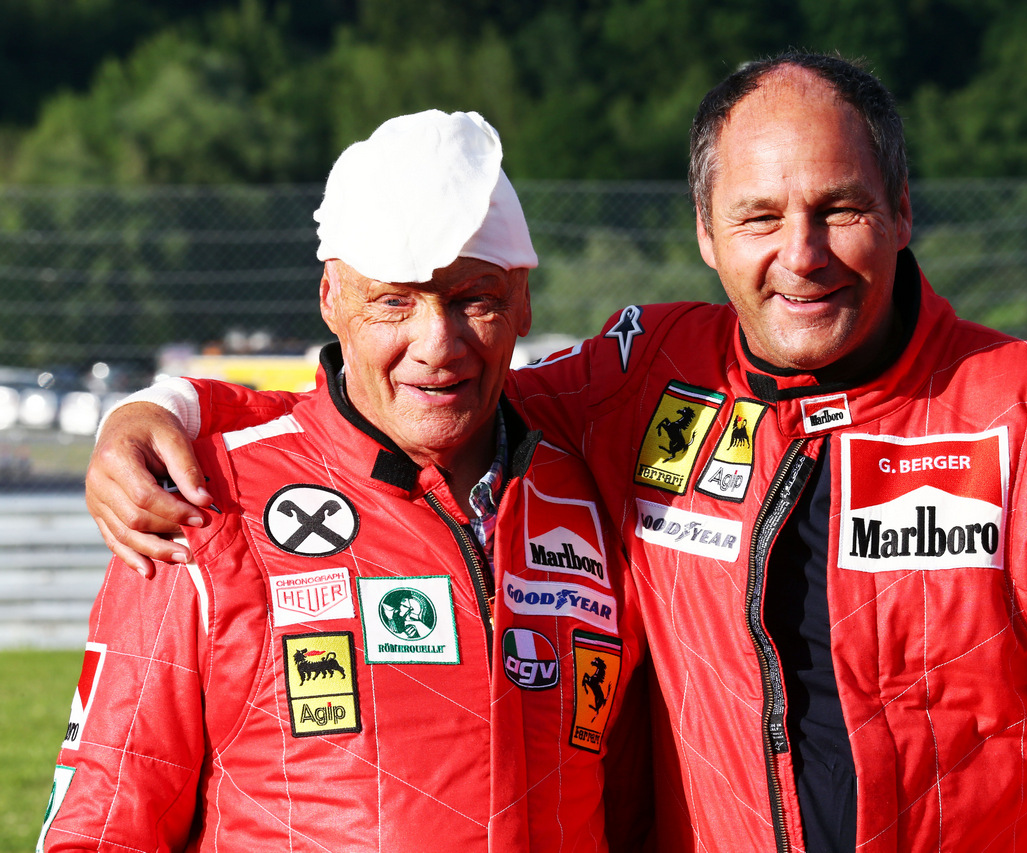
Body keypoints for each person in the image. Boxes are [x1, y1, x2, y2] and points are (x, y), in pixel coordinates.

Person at [82, 54, 1027, 851]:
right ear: (704, 236)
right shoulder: (651, 374)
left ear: (904, 209)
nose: (802, 254)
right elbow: (408, 403)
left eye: (839, 209)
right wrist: (167, 402)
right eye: (760, 217)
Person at [38, 110, 647, 852]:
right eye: (395, 300)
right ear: (331, 300)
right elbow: (102, 828)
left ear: (522, 298)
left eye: (473, 298)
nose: (438, 344)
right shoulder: (201, 501)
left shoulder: (597, 491)